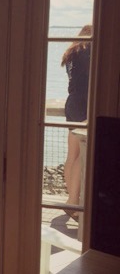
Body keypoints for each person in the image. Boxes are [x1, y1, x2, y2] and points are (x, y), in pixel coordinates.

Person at [61, 25, 92, 216]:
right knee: (83, 154)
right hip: (84, 105)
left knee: (72, 154)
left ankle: (70, 199)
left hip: (72, 103)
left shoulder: (71, 53)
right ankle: (73, 201)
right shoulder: (89, 51)